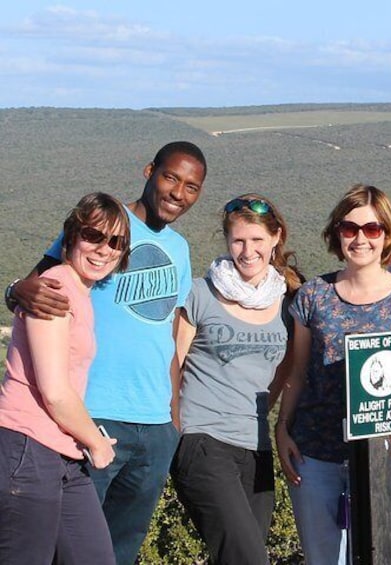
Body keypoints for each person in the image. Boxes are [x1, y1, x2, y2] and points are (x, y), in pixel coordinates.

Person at [6, 141, 206, 565]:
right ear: (149, 171)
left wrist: (173, 415)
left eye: (191, 187)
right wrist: (14, 291)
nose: (177, 192)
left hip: (154, 425)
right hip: (92, 416)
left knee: (117, 552)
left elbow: (168, 331)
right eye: (170, 177)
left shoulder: (181, 249)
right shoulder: (103, 225)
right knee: (65, 548)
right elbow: (37, 289)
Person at [275, 184, 391, 564]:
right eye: (350, 229)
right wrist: (282, 428)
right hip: (316, 456)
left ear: (388, 234)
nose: (360, 238)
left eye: (372, 229)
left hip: (387, 456)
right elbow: (297, 374)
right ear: (337, 234)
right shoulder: (314, 296)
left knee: (377, 556)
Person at [170, 194, 302, 564]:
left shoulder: (289, 301)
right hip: (202, 439)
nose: (248, 251)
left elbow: (286, 374)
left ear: (276, 238)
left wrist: (272, 422)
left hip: (255, 446)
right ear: (227, 241)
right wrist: (176, 431)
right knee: (247, 558)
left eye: (257, 240)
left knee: (244, 553)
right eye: (238, 240)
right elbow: (172, 363)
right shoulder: (200, 293)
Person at [0, 192, 130, 565]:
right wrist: (98, 443)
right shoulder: (54, 290)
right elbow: (55, 391)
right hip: (26, 446)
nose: (104, 249)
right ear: (71, 236)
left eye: (116, 242)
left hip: (63, 453)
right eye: (93, 235)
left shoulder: (80, 291)